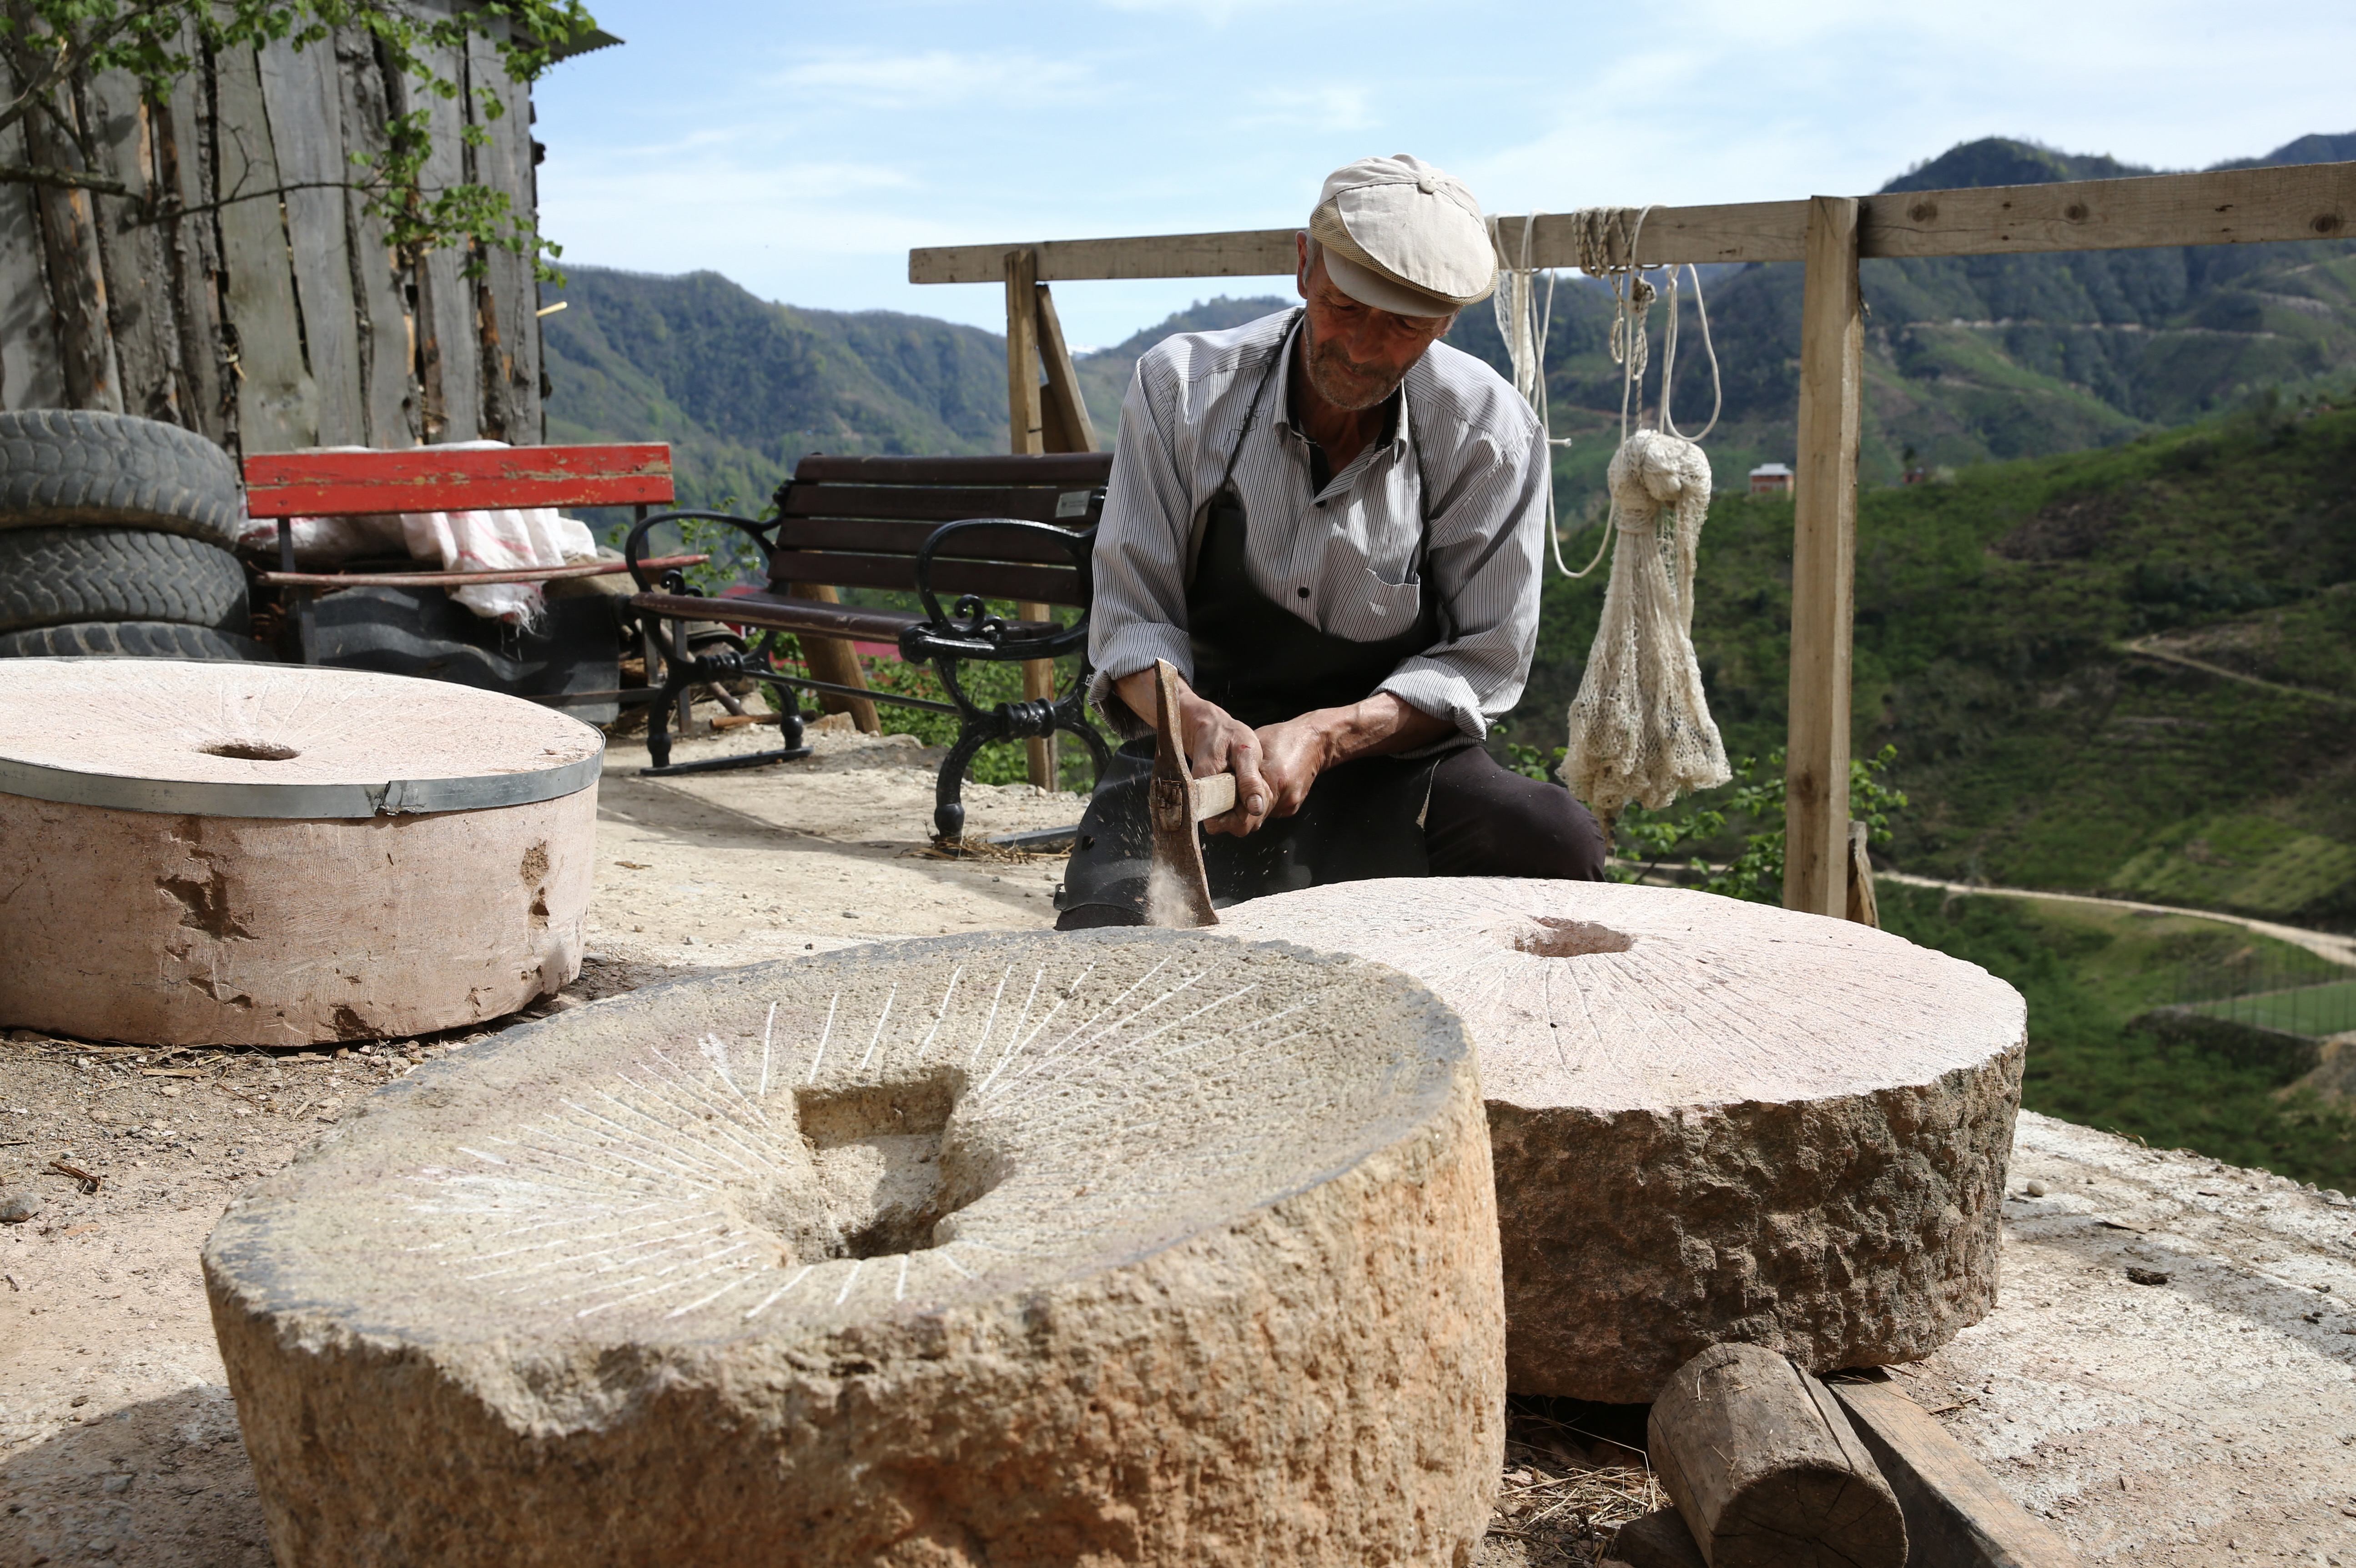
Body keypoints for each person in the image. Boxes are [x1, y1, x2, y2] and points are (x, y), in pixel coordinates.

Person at [1055, 153, 1606, 930]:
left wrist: (1325, 735)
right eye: (1346, 309)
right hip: (1205, 760)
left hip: (1390, 756)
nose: (1364, 350)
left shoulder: (1491, 433)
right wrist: (1198, 724)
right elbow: (1131, 623)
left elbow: (1482, 660)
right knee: (1114, 939)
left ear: (1447, 322)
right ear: (1305, 266)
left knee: (1554, 839)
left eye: (1405, 327)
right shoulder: (1181, 389)